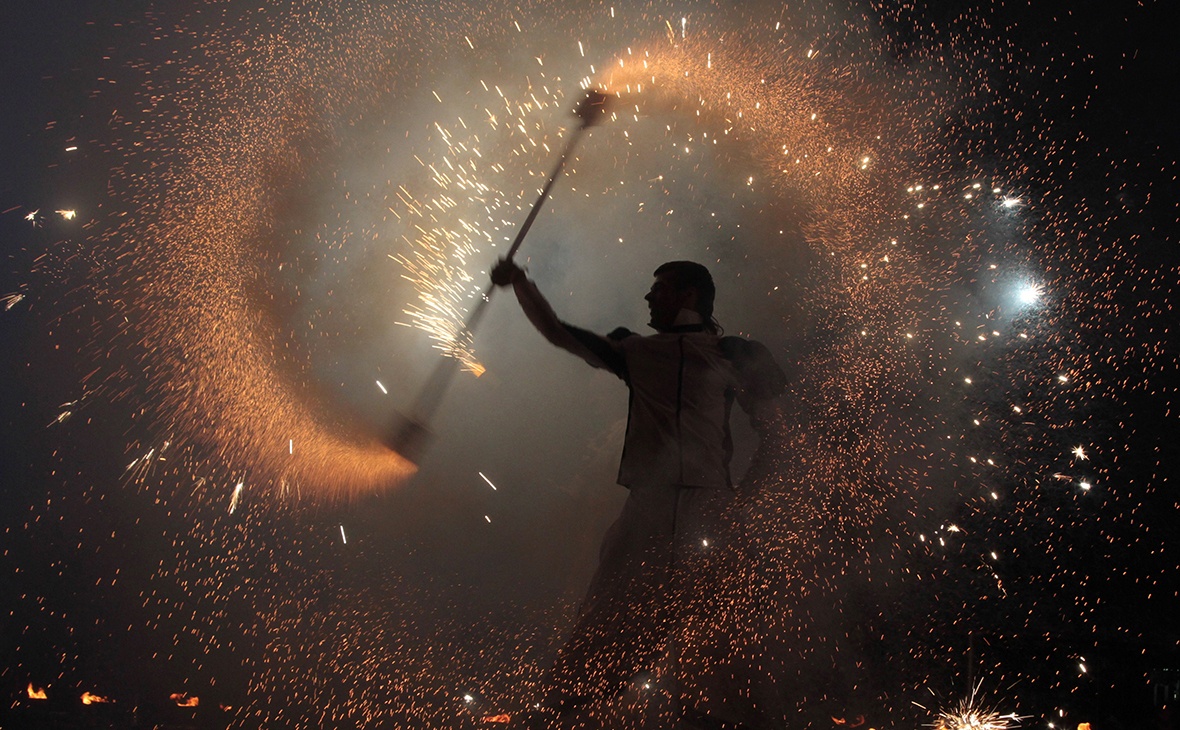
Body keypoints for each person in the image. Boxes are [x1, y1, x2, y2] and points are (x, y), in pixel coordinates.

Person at [491, 258, 786, 729]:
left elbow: (779, 437)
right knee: (601, 634)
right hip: (657, 511)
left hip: (698, 511)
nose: (649, 298)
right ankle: (558, 714)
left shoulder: (731, 354)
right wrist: (522, 284)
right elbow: (558, 332)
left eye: (661, 289)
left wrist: (741, 502)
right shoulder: (637, 351)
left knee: (723, 649)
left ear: (688, 296)